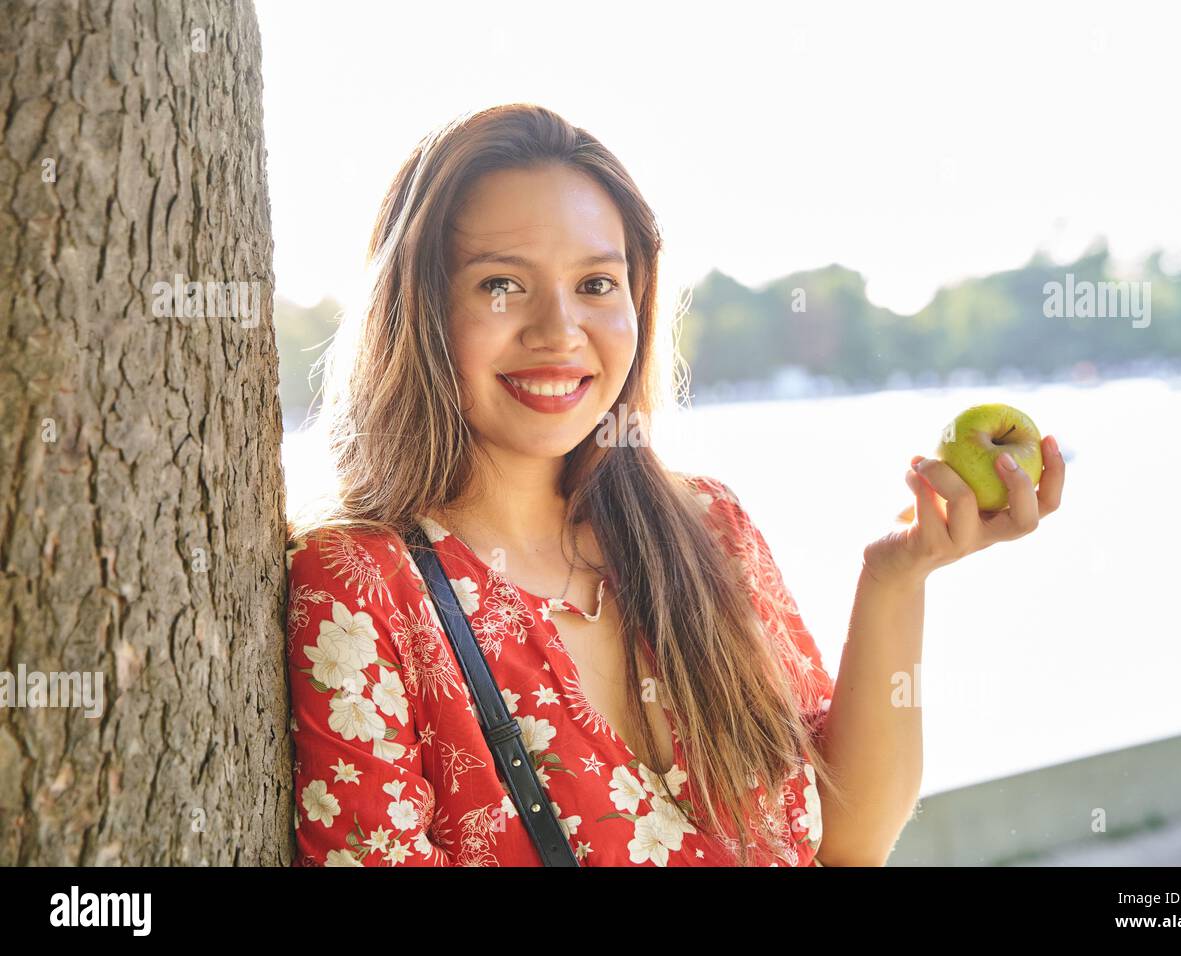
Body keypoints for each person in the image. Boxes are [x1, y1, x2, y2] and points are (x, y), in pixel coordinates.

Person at [284, 103, 1066, 867]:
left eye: (596, 283)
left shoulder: (707, 528)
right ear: (418, 310)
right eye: (501, 284)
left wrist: (897, 578)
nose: (559, 331)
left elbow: (847, 841)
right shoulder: (361, 588)